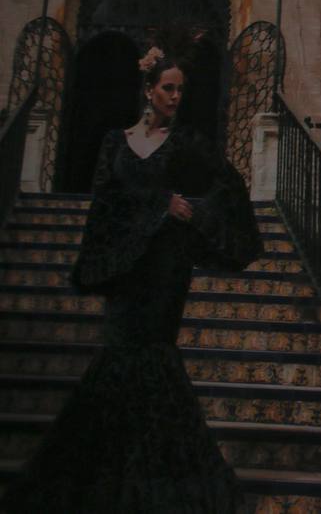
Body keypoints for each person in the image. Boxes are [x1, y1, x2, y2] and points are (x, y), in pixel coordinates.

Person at [3, 46, 262, 512]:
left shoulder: (187, 143)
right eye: (168, 88)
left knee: (155, 357)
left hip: (165, 268)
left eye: (181, 89)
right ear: (148, 90)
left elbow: (229, 187)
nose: (176, 97)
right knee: (118, 356)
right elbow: (105, 206)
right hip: (126, 269)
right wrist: (159, 204)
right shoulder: (114, 143)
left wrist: (193, 213)